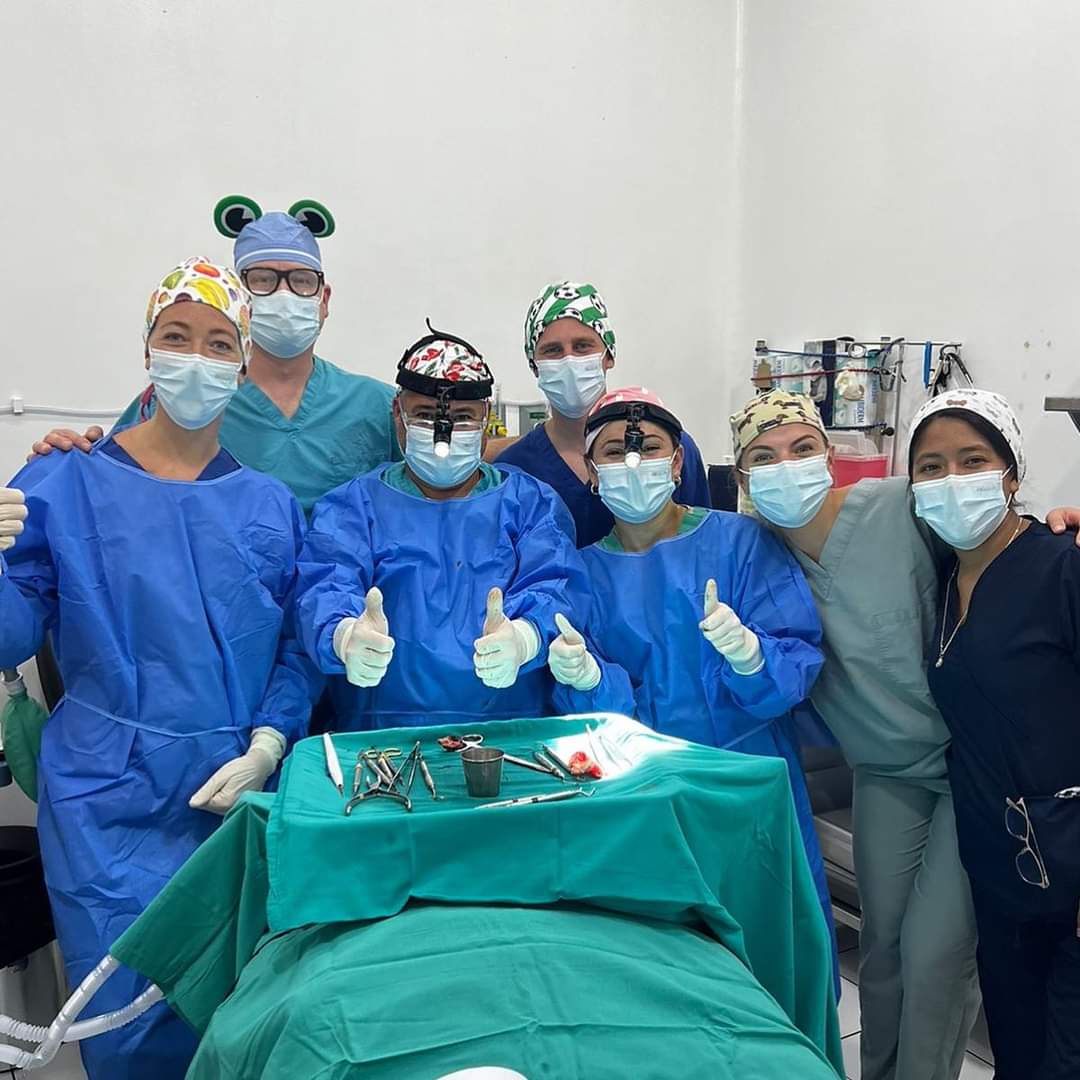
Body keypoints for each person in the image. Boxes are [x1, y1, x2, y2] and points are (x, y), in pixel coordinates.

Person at [0, 258, 317, 1080]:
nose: (197, 357)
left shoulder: (269, 505)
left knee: (242, 1016)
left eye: (219, 342)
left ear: (242, 363)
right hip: (108, 798)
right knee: (127, 1023)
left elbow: (295, 648)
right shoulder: (61, 481)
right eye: (177, 336)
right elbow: (7, 639)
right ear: (147, 349)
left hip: (234, 797)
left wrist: (270, 743)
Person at [728, 387, 980, 1080]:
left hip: (973, 765)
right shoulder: (752, 557)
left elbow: (1000, 548)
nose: (787, 465)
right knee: (884, 955)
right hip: (884, 772)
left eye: (802, 448)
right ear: (742, 477)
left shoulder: (904, 506)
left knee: (936, 955)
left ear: (830, 453)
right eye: (764, 455)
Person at [545, 387, 833, 950]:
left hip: (746, 787)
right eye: (613, 453)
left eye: (649, 447)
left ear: (678, 461)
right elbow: (596, 720)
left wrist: (752, 657)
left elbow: (793, 664)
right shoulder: (582, 574)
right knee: (664, 957)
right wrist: (586, 680)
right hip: (643, 793)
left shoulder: (743, 542)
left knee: (774, 947)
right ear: (591, 472)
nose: (633, 464)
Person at [295, 324, 592, 730]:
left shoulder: (530, 505)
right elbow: (327, 584)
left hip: (509, 731)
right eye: (425, 415)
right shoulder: (353, 508)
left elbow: (557, 587)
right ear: (397, 417)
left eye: (462, 417)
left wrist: (525, 638)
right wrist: (343, 636)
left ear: (487, 420)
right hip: (382, 733)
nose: (443, 433)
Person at [909, 389, 1080, 1080]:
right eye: (931, 466)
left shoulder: (1063, 568)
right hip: (1000, 870)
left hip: (1071, 870)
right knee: (1016, 1052)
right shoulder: (946, 574)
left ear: (1011, 473)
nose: (953, 481)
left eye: (972, 460)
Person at [30, 204, 399, 515]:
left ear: (324, 298)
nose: (284, 295)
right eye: (263, 279)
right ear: (240, 297)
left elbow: (425, 498)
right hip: (218, 592)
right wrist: (63, 461)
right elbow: (111, 485)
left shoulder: (377, 406)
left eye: (302, 281)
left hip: (350, 597)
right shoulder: (181, 398)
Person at [493, 281, 711, 546]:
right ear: (534, 365)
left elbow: (703, 544)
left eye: (583, 346)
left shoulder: (666, 449)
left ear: (609, 355)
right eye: (553, 350)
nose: (569, 360)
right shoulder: (515, 469)